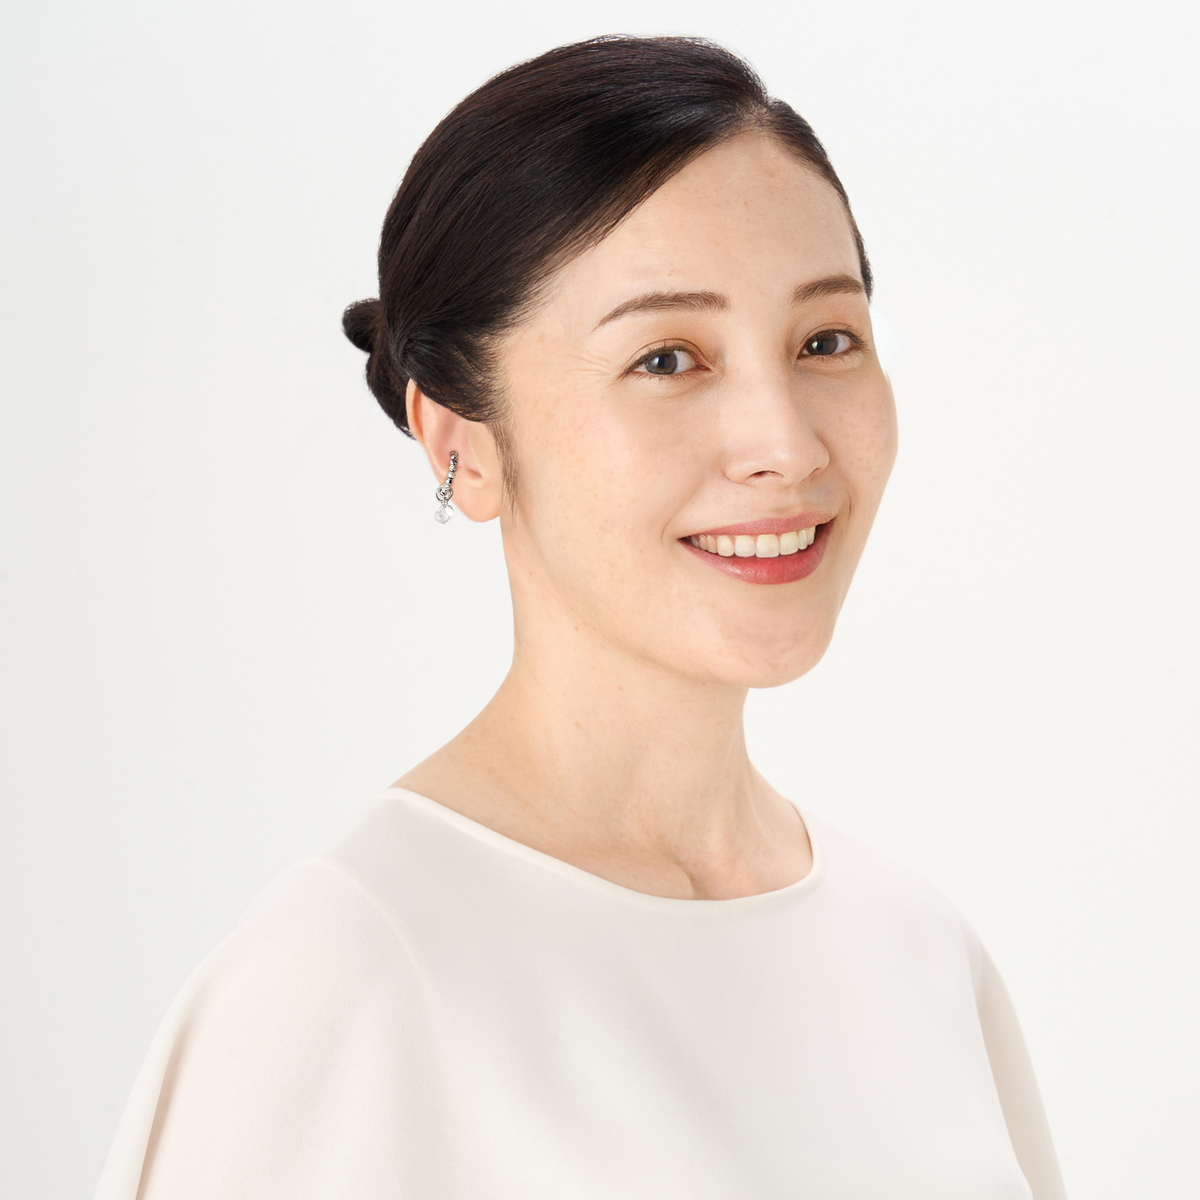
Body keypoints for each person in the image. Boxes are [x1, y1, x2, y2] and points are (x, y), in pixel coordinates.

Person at [94, 35, 1066, 1200]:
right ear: (463, 445)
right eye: (667, 358)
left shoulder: (918, 953)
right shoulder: (347, 980)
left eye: (825, 341)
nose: (787, 445)